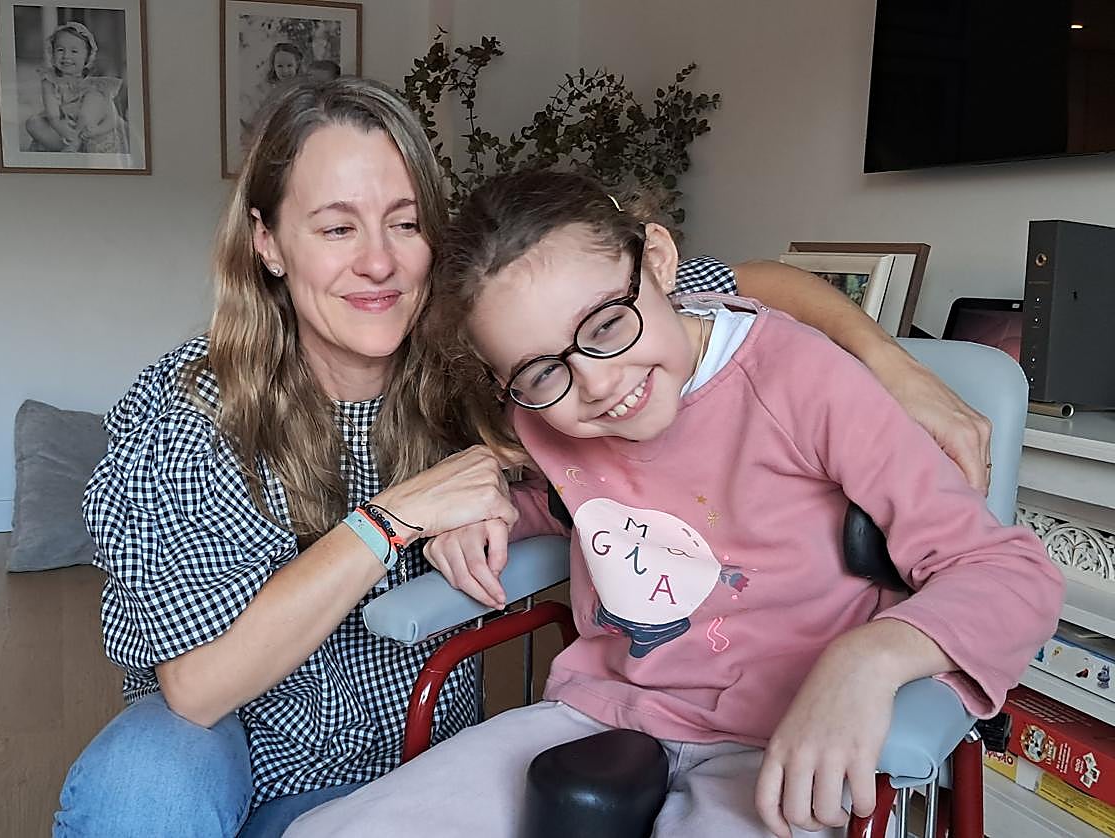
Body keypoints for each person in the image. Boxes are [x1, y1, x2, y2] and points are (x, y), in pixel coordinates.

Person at [53, 77, 997, 838]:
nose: (378, 262)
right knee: (143, 780)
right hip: (235, 743)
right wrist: (394, 521)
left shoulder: (511, 343)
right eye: (336, 227)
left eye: (406, 221)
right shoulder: (190, 406)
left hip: (420, 754)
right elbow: (198, 683)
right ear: (267, 244)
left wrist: (888, 364)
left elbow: (750, 291)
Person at [281, 169, 1064, 838]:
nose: (596, 383)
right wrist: (485, 513)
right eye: (540, 371)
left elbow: (1008, 572)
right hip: (603, 713)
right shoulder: (544, 415)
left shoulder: (802, 381)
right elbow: (568, 507)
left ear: (656, 262)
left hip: (778, 736)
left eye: (606, 325)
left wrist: (869, 660)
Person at [25, 21, 128, 154]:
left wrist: (97, 130)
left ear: (87, 58)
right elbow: (53, 115)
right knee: (32, 123)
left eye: (74, 51)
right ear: (52, 53)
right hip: (63, 129)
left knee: (93, 97)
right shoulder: (49, 81)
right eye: (60, 50)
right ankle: (71, 146)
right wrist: (61, 128)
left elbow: (112, 118)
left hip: (90, 130)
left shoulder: (97, 84)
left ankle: (75, 144)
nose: (66, 56)